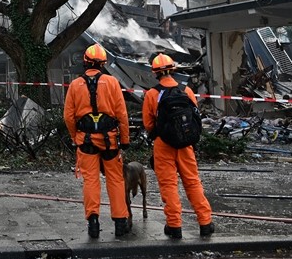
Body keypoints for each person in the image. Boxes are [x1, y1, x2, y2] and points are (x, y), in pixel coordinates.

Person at [142, 53, 214, 240]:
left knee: (168, 185)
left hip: (163, 144)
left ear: (155, 72)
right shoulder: (187, 91)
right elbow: (195, 117)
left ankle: (174, 226)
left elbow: (148, 124)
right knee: (192, 182)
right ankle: (205, 223)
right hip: (186, 145)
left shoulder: (152, 94)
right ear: (173, 69)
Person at [63, 43, 132, 239]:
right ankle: (120, 222)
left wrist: (74, 137)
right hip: (109, 140)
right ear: (103, 63)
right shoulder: (112, 82)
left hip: (85, 141)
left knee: (91, 180)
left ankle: (93, 222)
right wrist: (124, 140)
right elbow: (122, 114)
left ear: (85, 62)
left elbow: (68, 117)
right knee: (116, 180)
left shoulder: (75, 85)